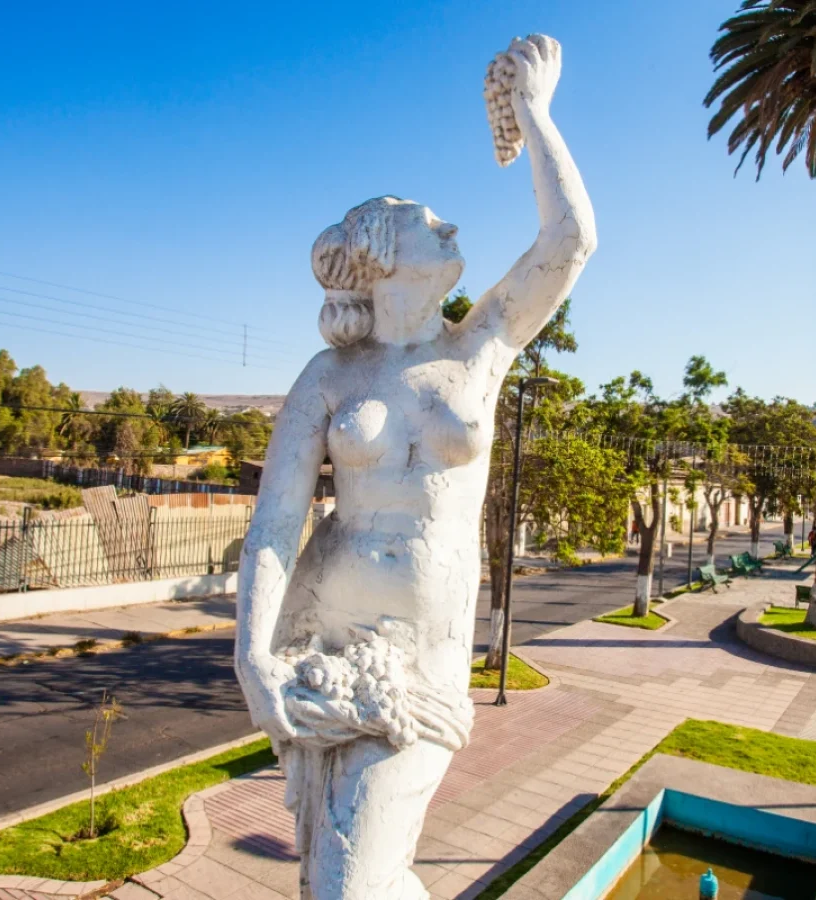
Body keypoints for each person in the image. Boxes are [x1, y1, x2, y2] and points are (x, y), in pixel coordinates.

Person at [235, 35, 595, 900]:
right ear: (381, 254)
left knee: (350, 879)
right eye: (426, 220)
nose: (451, 224)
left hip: (421, 657)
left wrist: (536, 111)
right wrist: (253, 657)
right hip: (324, 648)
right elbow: (277, 525)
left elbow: (570, 239)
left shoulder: (481, 348)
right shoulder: (329, 378)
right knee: (347, 870)